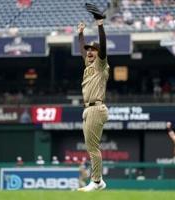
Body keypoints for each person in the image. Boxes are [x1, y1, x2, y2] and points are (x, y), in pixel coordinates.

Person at [77, 17, 110, 191]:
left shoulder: (100, 64)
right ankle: (99, 180)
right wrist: (80, 34)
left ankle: (96, 181)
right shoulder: (88, 65)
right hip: (89, 109)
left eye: (93, 50)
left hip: (96, 107)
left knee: (93, 148)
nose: (90, 52)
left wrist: (100, 26)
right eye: (88, 50)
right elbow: (82, 51)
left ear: (99, 53)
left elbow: (102, 46)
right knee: (91, 147)